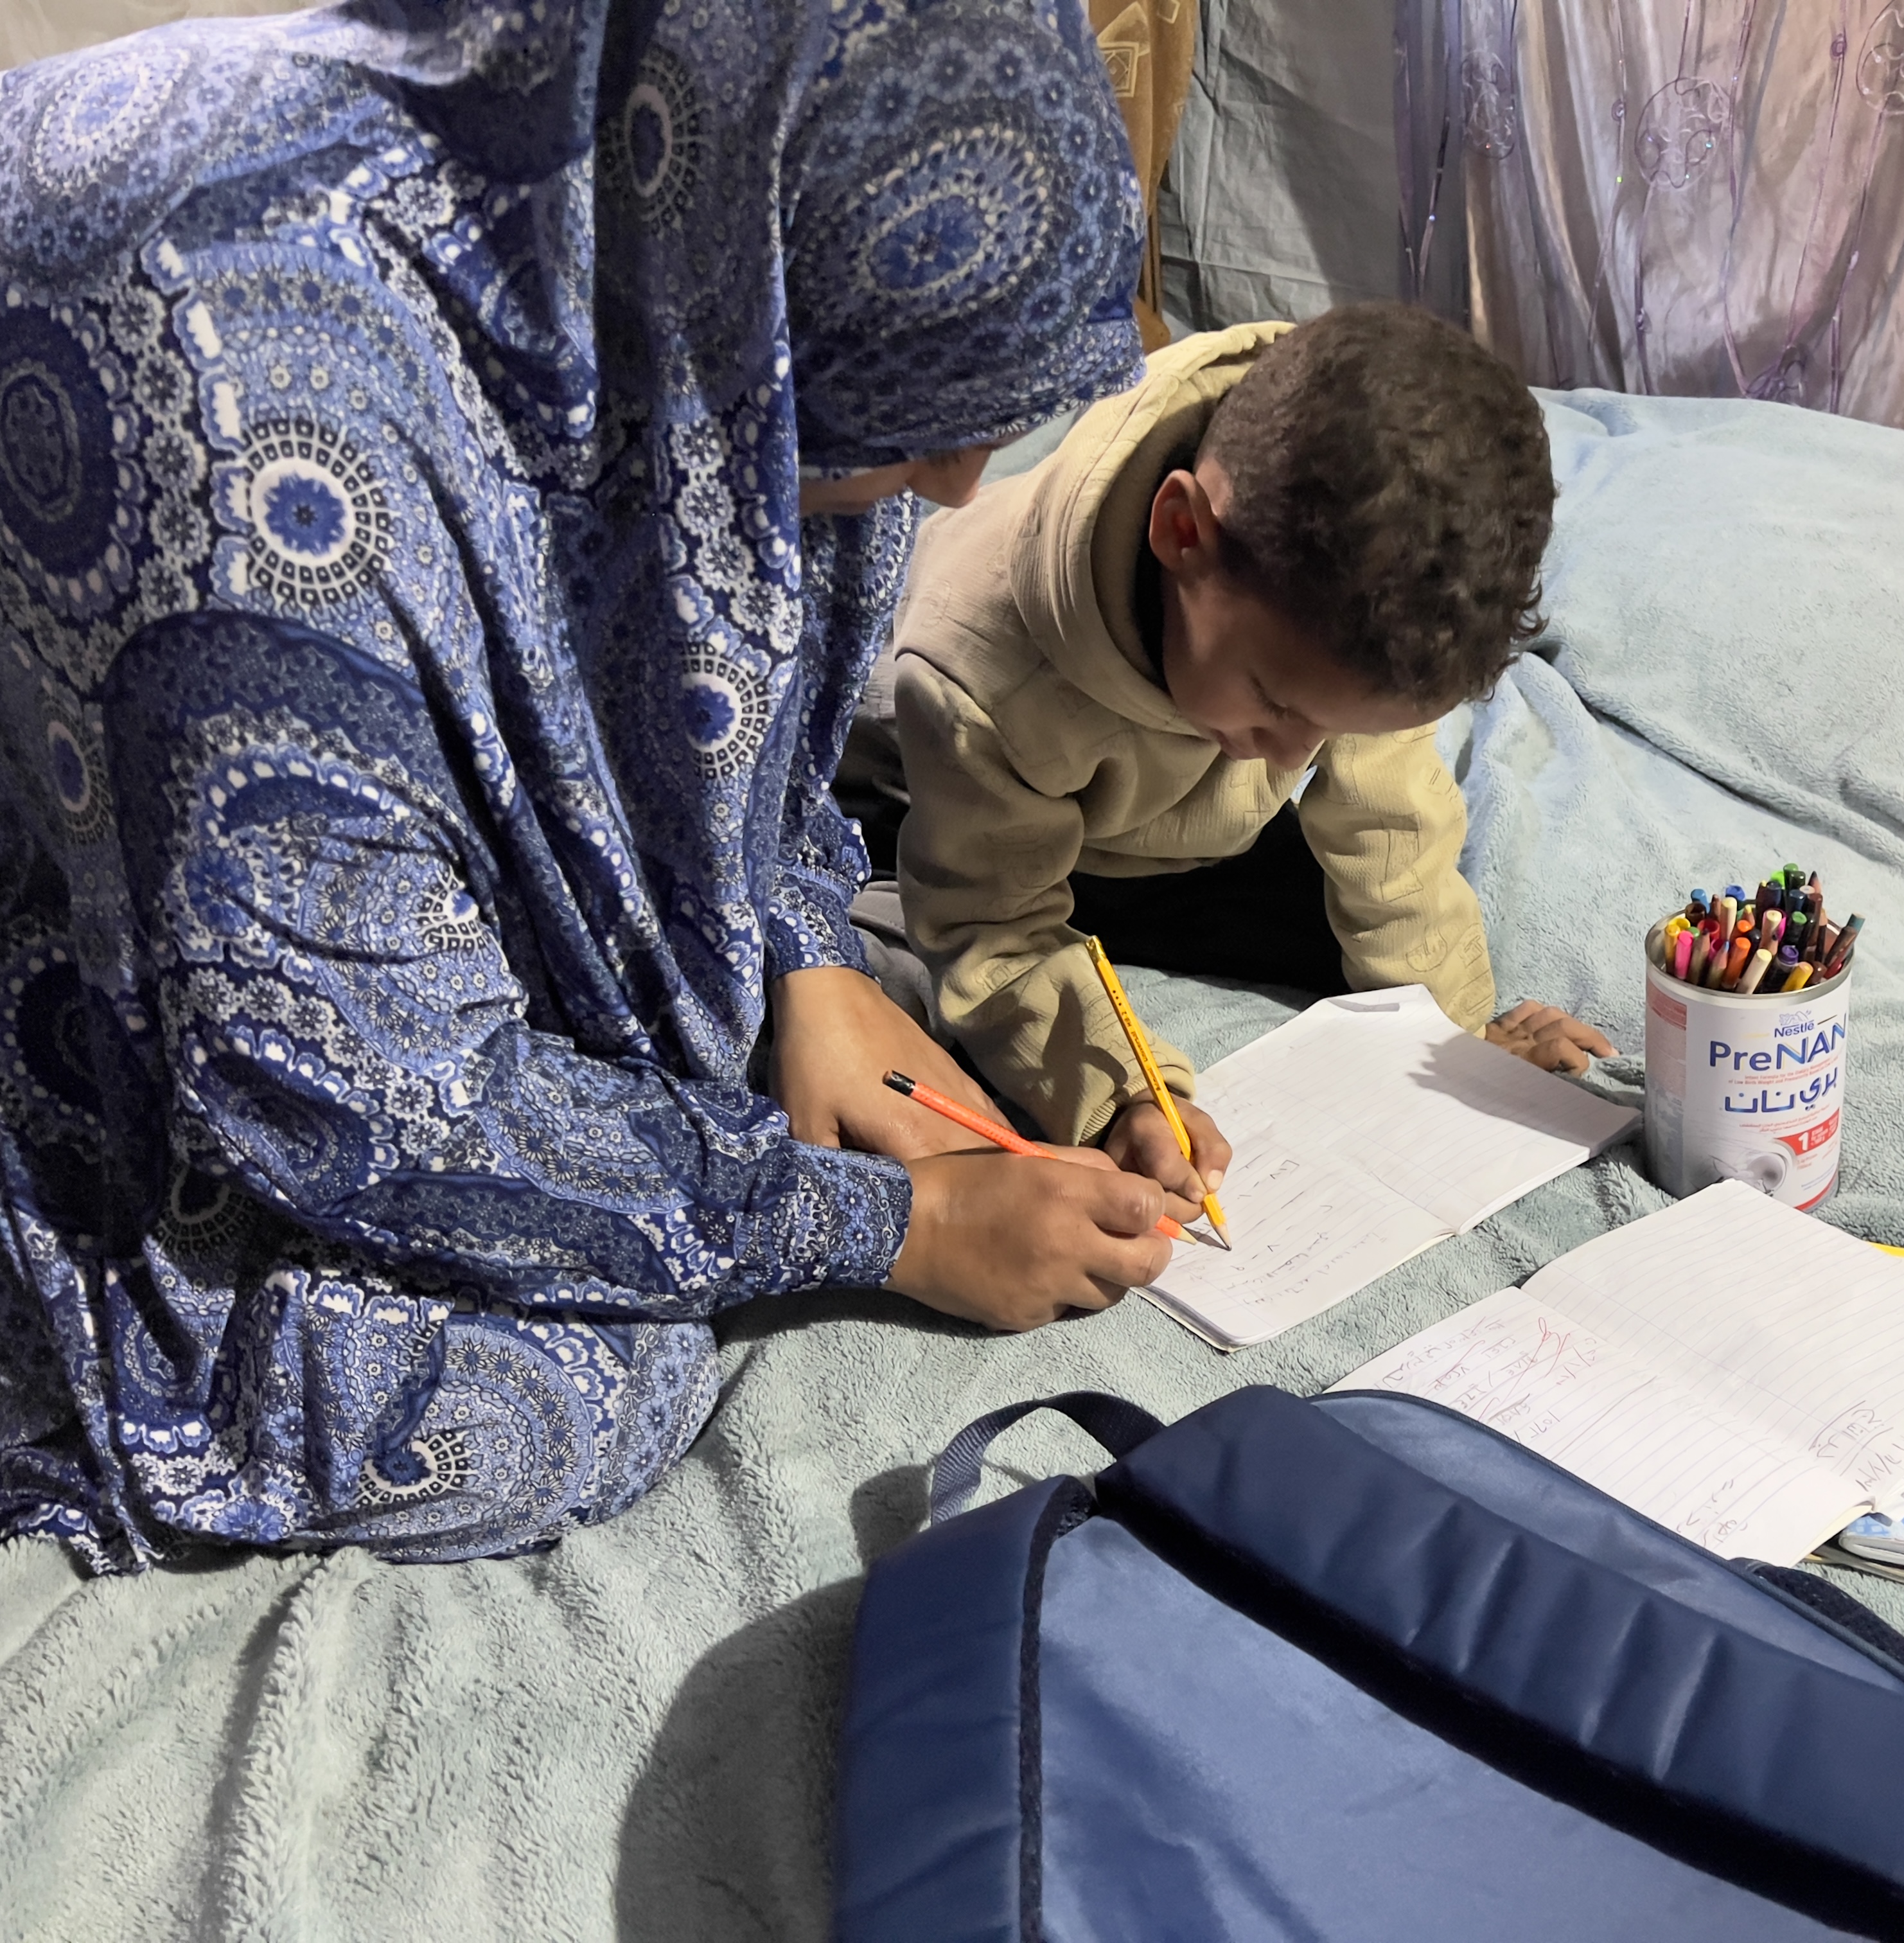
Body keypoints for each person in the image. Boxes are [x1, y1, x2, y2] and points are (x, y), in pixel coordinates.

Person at [0, 0, 1171, 1573]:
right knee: (553, 1396)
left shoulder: (672, 242)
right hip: (124, 963)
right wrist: (891, 1233)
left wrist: (801, 948)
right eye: (915, 417)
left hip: (325, 886)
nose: (961, 486)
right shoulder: (243, 439)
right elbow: (335, 1089)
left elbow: (742, 693)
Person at [891, 306, 1616, 1218]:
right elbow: (991, 925)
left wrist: (1457, 1040)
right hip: (993, 819)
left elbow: (1390, 822)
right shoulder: (977, 674)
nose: (1298, 754)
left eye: (1331, 726)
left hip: (1186, 824)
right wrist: (1126, 1092)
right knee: (944, 985)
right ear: (1181, 534)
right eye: (1277, 704)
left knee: (1382, 967)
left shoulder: (1344, 573)